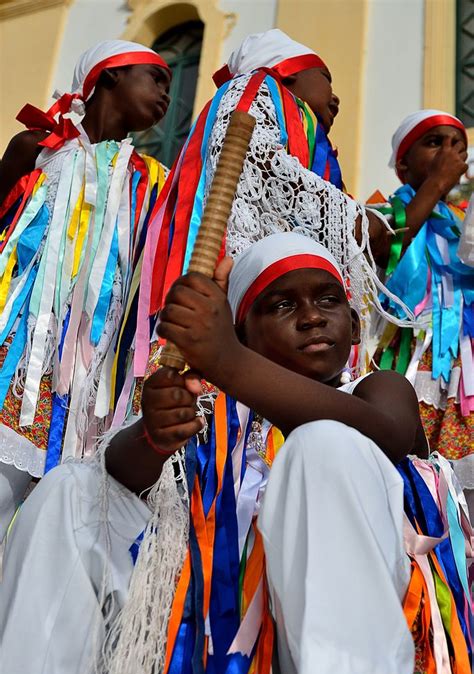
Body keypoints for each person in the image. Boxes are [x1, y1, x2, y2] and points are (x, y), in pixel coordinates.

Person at [1, 234, 471, 674]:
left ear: (352, 323)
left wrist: (228, 362)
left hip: (340, 634)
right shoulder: (220, 416)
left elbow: (387, 433)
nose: (311, 316)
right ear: (243, 331)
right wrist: (155, 433)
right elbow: (119, 478)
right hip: (215, 630)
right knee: (72, 490)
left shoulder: (376, 390)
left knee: (322, 444)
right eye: (282, 305)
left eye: (327, 300)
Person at [113, 29, 398, 426]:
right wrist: (351, 218)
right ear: (289, 73)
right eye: (326, 78)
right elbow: (259, 160)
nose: (335, 97)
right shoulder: (255, 90)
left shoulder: (305, 131)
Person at [0, 40, 171, 538]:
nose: (166, 93)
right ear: (112, 75)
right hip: (20, 361)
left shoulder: (152, 179)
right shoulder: (36, 149)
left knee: (58, 520)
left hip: (93, 381)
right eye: (155, 77)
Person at [367, 110, 473, 492]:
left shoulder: (464, 221)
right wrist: (436, 182)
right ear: (402, 162)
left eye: (458, 146)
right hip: (412, 359)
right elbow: (387, 248)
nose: (449, 152)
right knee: (413, 471)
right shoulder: (383, 212)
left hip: (464, 364)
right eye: (434, 143)